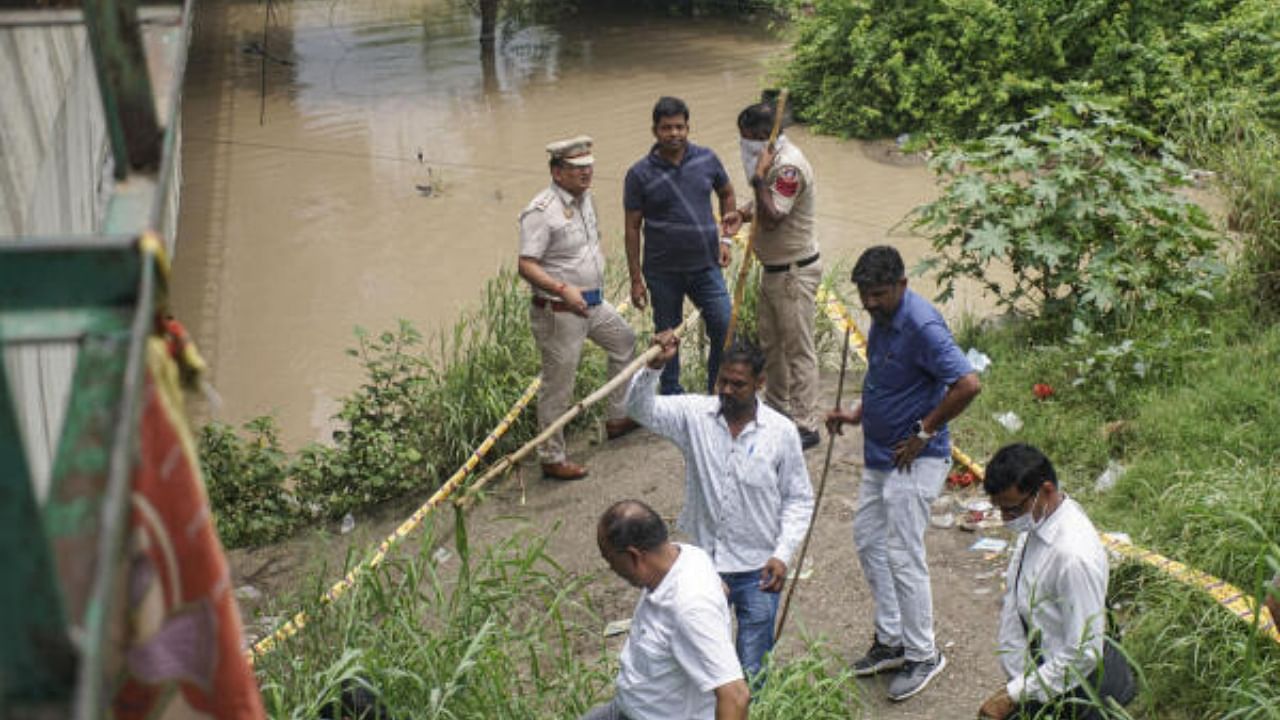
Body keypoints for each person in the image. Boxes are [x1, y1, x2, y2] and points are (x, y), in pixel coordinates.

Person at [826, 245, 981, 702]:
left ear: (902, 285)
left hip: (916, 458)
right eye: (863, 295)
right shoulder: (882, 318)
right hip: (880, 456)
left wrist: (924, 431)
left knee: (902, 551)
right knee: (869, 539)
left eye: (877, 294)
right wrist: (856, 414)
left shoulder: (922, 324)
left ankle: (923, 653)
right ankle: (891, 640)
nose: (869, 303)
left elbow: (968, 383)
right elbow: (886, 378)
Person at [626, 332, 814, 682]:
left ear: (759, 383)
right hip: (703, 567)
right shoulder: (694, 415)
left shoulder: (782, 432)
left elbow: (799, 499)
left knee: (753, 667)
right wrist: (653, 367)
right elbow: (639, 408)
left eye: (737, 384)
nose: (726, 390)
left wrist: (783, 554)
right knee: (699, 662)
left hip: (760, 569)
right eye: (722, 380)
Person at [977, 444, 1136, 720]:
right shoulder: (1039, 521)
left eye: (1012, 510)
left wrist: (1014, 694)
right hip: (1041, 679)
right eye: (1000, 509)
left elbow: (1084, 653)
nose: (1005, 521)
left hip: (1071, 691)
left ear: (1046, 491)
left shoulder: (1072, 557)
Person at [518, 135, 638, 481]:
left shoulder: (587, 200)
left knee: (624, 342)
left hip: (593, 304)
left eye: (589, 167)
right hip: (559, 310)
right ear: (557, 172)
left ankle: (617, 417)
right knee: (560, 383)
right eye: (577, 169)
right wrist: (561, 288)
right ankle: (551, 456)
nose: (586, 174)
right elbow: (526, 264)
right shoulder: (541, 212)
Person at [582, 499, 750, 720]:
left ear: (634, 556)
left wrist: (702, 608)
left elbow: (736, 697)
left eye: (611, 560)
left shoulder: (690, 607)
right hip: (627, 708)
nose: (611, 568)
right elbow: (722, 589)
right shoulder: (686, 555)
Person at [624, 96, 739, 396]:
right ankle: (671, 392)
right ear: (655, 131)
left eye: (679, 127)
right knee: (666, 337)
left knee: (724, 326)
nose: (673, 133)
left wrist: (726, 239)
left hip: (706, 266)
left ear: (688, 127)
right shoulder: (639, 174)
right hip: (662, 272)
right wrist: (636, 279)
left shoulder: (707, 159)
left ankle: (717, 390)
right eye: (666, 128)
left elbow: (727, 193)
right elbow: (632, 228)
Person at [727, 100, 822, 450]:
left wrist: (755, 178)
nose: (743, 145)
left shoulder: (788, 167)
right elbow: (762, 207)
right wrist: (741, 213)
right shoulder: (772, 165)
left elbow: (773, 215)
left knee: (798, 349)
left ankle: (806, 422)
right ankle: (779, 409)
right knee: (772, 346)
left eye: (746, 139)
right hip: (774, 271)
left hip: (794, 272)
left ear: (762, 137)